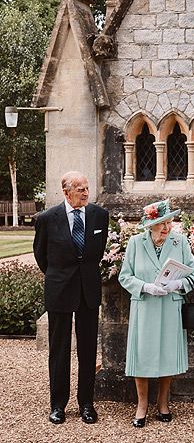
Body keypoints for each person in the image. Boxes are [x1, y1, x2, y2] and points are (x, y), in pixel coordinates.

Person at [33, 172, 109, 424]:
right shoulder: (46, 219)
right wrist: (60, 276)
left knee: (88, 349)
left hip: (88, 290)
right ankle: (58, 405)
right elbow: (41, 256)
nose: (85, 193)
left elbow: (96, 253)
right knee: (59, 349)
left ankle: (86, 403)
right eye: (80, 189)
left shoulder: (100, 216)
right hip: (59, 289)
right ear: (66, 192)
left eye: (87, 188)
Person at [118, 199, 194, 427]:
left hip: (170, 305)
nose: (167, 227)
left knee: (167, 353)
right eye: (161, 223)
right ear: (150, 225)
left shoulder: (180, 242)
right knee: (142, 355)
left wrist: (178, 285)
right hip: (144, 305)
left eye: (169, 222)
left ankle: (163, 403)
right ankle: (142, 405)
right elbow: (124, 276)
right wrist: (145, 287)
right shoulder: (135, 243)